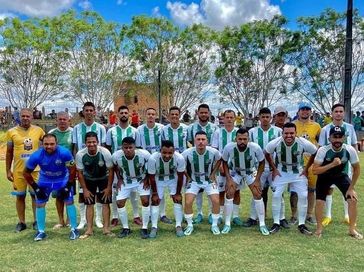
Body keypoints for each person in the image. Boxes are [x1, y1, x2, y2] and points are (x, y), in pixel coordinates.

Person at [23, 134, 79, 241]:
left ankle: (74, 229)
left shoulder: (64, 153)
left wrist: (68, 185)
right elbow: (26, 173)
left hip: (62, 179)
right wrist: (36, 188)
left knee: (69, 201)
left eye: (52, 144)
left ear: (56, 144)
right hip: (45, 180)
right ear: (42, 144)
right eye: (46, 144)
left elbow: (73, 169)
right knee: (40, 204)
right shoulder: (36, 155)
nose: (49, 146)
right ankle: (41, 231)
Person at [265, 122, 317, 235]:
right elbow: (267, 153)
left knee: (303, 195)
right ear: (282, 133)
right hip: (281, 172)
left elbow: (314, 152)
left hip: (297, 172)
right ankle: (276, 223)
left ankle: (302, 224)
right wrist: (274, 168)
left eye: (291, 133)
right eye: (286, 133)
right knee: (276, 195)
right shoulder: (275, 142)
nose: (289, 136)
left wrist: (306, 168)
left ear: (296, 133)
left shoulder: (303, 142)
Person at [312, 126, 362, 239]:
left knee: (352, 199)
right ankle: (319, 229)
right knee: (320, 202)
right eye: (335, 137)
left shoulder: (349, 150)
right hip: (324, 176)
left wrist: (351, 188)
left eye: (340, 137)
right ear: (329, 138)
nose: (337, 140)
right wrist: (331, 164)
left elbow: (357, 169)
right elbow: (315, 170)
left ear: (344, 138)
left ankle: (352, 229)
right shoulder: (323, 150)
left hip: (341, 176)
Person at [222, 128, 268, 235]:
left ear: (248, 139)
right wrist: (228, 179)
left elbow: (262, 162)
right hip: (236, 171)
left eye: (244, 139)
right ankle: (227, 224)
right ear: (236, 139)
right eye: (240, 139)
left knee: (257, 193)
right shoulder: (229, 147)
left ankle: (262, 224)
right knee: (229, 193)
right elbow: (224, 162)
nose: (242, 141)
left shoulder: (255, 147)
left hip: (250, 171)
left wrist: (257, 180)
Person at [6, 108, 45, 232]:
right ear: (19, 117)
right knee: (20, 196)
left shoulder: (39, 130)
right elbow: (9, 152)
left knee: (35, 196)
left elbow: (48, 146)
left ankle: (36, 221)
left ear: (32, 117)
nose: (25, 118)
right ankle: (21, 222)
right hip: (19, 171)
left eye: (28, 116)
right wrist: (8, 170)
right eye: (23, 116)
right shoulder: (11, 132)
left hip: (35, 171)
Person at [318, 103, 357, 226]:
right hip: (329, 164)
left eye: (341, 111)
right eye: (336, 111)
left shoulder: (350, 127)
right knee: (329, 189)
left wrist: (353, 158)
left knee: (347, 189)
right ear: (332, 113)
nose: (339, 114)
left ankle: (347, 216)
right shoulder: (325, 129)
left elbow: (354, 144)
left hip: (345, 163)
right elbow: (321, 146)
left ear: (344, 113)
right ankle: (328, 216)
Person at [248, 107, 287, 228]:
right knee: (256, 192)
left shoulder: (278, 131)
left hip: (274, 169)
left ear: (271, 118)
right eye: (262, 117)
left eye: (267, 117)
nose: (265, 119)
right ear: (259, 118)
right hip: (258, 168)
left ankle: (281, 218)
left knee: (278, 193)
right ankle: (253, 218)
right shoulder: (252, 132)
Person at [72, 101, 106, 230]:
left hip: (98, 165)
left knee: (97, 193)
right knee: (82, 193)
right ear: (83, 112)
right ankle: (83, 220)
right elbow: (74, 148)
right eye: (87, 110)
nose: (89, 113)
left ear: (94, 112)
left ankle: (97, 219)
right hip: (83, 165)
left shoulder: (101, 128)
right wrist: (75, 165)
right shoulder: (76, 128)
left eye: (91, 110)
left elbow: (103, 147)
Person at [105, 105, 141, 227]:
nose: (124, 114)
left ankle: (136, 215)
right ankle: (115, 217)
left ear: (129, 114)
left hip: (131, 166)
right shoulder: (111, 131)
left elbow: (138, 149)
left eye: (126, 112)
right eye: (122, 113)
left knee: (133, 192)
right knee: (116, 191)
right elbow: (108, 148)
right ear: (117, 114)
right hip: (117, 166)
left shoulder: (135, 131)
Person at [182, 131, 222, 236]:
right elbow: (181, 166)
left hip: (209, 181)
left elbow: (219, 160)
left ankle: (214, 225)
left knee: (216, 201)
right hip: (194, 181)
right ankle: (190, 225)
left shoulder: (213, 152)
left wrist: (213, 173)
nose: (201, 142)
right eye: (198, 139)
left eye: (203, 139)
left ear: (207, 141)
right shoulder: (187, 153)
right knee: (188, 202)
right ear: (194, 141)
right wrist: (188, 177)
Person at [75, 132, 114, 238]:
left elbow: (111, 170)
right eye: (89, 142)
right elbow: (80, 173)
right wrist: (85, 190)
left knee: (105, 203)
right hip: (89, 180)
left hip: (103, 179)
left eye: (94, 142)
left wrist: (108, 188)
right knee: (89, 204)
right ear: (85, 143)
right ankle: (89, 229)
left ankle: (106, 229)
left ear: (98, 142)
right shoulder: (80, 154)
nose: (91, 144)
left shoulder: (105, 152)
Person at [112, 137, 151, 239]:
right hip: (126, 180)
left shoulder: (144, 154)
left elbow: (151, 165)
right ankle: (126, 228)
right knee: (119, 202)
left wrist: (147, 178)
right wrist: (119, 178)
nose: (128, 150)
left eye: (130, 147)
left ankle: (144, 228)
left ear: (135, 147)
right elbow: (115, 167)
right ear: (122, 148)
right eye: (125, 147)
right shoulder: (116, 156)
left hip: (140, 180)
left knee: (145, 201)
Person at [137, 107, 171, 224]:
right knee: (150, 190)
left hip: (160, 162)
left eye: (153, 114)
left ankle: (162, 214)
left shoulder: (161, 128)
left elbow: (166, 146)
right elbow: (139, 148)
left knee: (159, 189)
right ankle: (151, 215)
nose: (151, 116)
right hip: (147, 164)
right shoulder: (140, 130)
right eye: (149, 114)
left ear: (156, 116)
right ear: (145, 115)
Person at [187, 104, 218, 224]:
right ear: (197, 113)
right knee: (198, 188)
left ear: (209, 113)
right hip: (195, 161)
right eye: (202, 112)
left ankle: (211, 213)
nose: (204, 114)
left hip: (210, 161)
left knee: (211, 188)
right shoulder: (191, 128)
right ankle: (199, 213)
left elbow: (215, 146)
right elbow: (189, 143)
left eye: (206, 112)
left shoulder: (214, 128)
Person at [148, 140, 186, 238]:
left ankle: (178, 225)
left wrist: (178, 192)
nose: (167, 155)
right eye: (164, 152)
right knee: (155, 201)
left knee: (177, 200)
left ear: (174, 152)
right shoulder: (153, 159)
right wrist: (155, 193)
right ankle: (154, 227)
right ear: (160, 151)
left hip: (172, 178)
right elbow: (151, 177)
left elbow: (180, 176)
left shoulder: (179, 158)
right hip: (158, 178)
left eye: (170, 153)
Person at [211, 110, 242, 226]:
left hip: (236, 168)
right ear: (223, 119)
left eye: (231, 117)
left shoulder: (239, 132)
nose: (229, 119)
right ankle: (219, 215)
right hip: (221, 168)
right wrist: (219, 166)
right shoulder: (218, 132)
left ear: (235, 119)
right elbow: (214, 150)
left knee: (236, 192)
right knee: (221, 192)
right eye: (227, 117)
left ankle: (236, 216)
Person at [292, 102, 321, 225]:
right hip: (295, 164)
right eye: (302, 109)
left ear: (311, 112)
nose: (305, 112)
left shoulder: (317, 126)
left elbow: (320, 144)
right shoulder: (292, 125)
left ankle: (309, 215)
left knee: (311, 190)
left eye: (307, 109)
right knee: (294, 191)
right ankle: (293, 215)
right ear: (298, 111)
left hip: (312, 164)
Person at [48, 112, 74, 229]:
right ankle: (60, 220)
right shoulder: (51, 133)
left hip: (69, 169)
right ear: (56, 121)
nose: (62, 121)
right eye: (60, 119)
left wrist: (75, 168)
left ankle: (69, 220)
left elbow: (75, 150)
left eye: (65, 119)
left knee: (69, 195)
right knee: (58, 196)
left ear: (69, 120)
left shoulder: (73, 132)